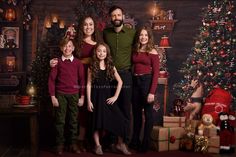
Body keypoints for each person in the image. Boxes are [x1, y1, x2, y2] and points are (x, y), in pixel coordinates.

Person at [50, 16, 102, 151]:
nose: (88, 27)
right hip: (73, 79)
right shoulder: (75, 42)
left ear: (94, 26)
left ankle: (88, 140)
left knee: (89, 109)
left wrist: (89, 61)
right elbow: (65, 53)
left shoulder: (98, 43)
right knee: (78, 113)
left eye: (91, 24)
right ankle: (77, 140)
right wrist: (53, 62)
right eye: (85, 25)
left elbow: (102, 56)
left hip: (91, 77)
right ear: (82, 27)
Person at [87, 42, 131, 155]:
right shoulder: (92, 66)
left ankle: (120, 144)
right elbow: (88, 84)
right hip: (96, 99)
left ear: (107, 53)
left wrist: (115, 96)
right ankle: (97, 146)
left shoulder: (110, 66)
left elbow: (120, 82)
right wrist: (89, 101)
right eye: (99, 51)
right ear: (95, 52)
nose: (101, 53)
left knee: (121, 120)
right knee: (96, 123)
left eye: (104, 51)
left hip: (107, 99)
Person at [103, 5, 136, 143]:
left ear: (123, 16)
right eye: (113, 15)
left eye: (118, 15)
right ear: (110, 18)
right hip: (109, 75)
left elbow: (142, 47)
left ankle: (125, 140)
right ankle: (111, 139)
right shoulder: (106, 33)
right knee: (110, 107)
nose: (116, 17)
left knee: (125, 107)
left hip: (125, 75)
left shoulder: (131, 33)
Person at [48, 37, 85, 155]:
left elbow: (82, 80)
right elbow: (51, 80)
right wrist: (53, 97)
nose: (67, 48)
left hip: (74, 95)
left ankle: (73, 143)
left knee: (73, 121)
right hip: (61, 95)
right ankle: (60, 144)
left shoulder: (78, 63)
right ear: (61, 48)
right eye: (64, 46)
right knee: (60, 121)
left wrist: (82, 96)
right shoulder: (57, 62)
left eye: (69, 46)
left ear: (73, 48)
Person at [129, 26, 160, 153]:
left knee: (148, 115)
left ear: (149, 37)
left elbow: (156, 73)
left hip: (146, 82)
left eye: (146, 35)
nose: (143, 37)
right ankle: (135, 141)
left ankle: (145, 143)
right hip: (135, 82)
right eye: (141, 35)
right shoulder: (135, 49)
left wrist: (152, 92)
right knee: (136, 114)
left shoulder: (152, 51)